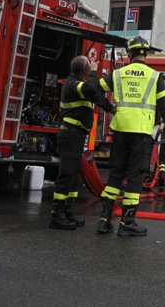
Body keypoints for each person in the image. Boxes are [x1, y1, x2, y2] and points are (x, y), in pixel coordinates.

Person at [95, 36, 165, 237]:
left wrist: (109, 107)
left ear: (130, 54)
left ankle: (104, 220)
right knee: (135, 176)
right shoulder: (155, 77)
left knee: (115, 174)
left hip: (120, 130)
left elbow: (93, 89)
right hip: (140, 133)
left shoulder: (117, 74)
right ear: (145, 54)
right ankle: (127, 222)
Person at [49, 55, 115, 230]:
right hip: (70, 134)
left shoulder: (80, 85)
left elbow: (95, 95)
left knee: (74, 175)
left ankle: (68, 212)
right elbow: (90, 87)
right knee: (66, 174)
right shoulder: (73, 84)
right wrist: (94, 71)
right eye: (89, 67)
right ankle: (57, 215)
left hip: (76, 135)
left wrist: (112, 108)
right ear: (85, 70)